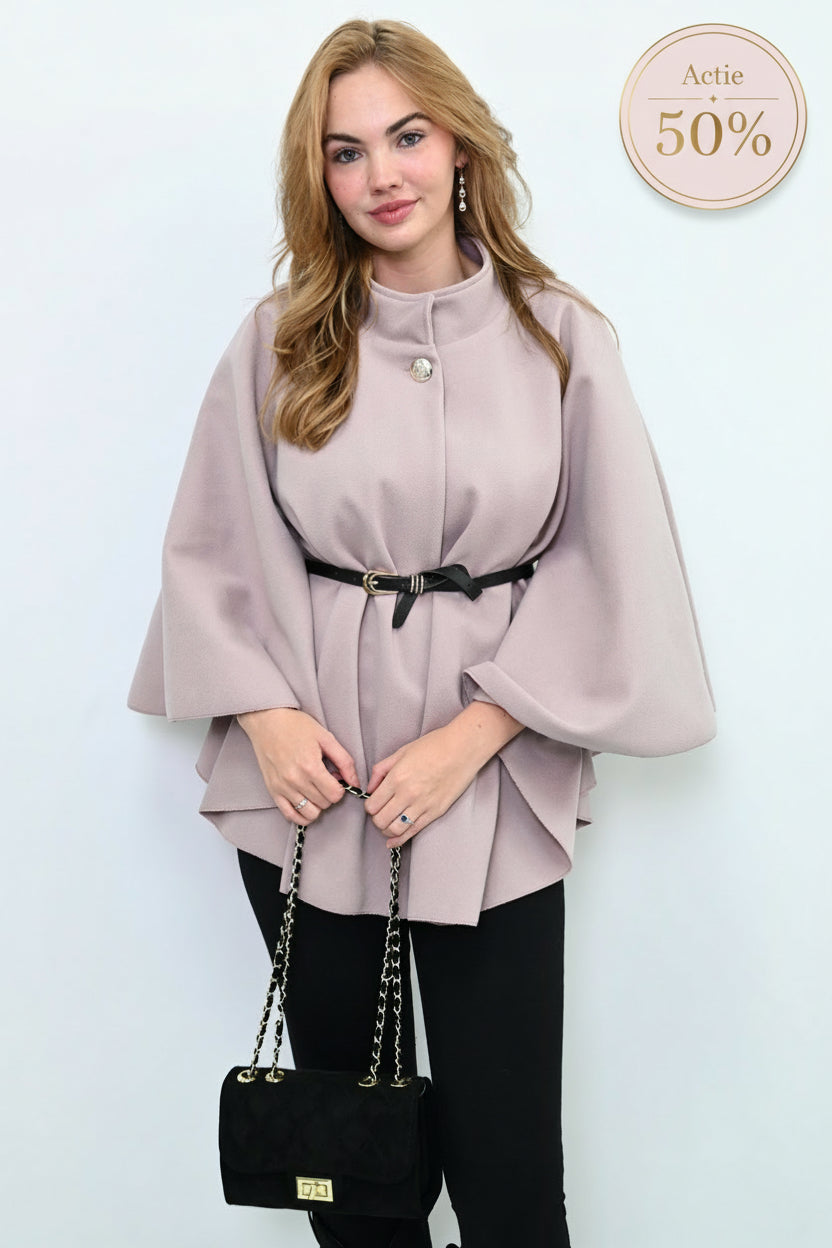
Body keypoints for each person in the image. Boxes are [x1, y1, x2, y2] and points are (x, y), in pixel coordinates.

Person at [128, 17, 716, 1248]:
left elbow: (614, 561)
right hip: (309, 794)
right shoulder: (279, 338)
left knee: (512, 1185)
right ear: (318, 175)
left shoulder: (560, 335)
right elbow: (214, 542)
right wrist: (265, 715)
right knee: (351, 1178)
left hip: (490, 790)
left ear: (458, 145)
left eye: (405, 136)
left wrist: (472, 738)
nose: (380, 175)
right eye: (344, 151)